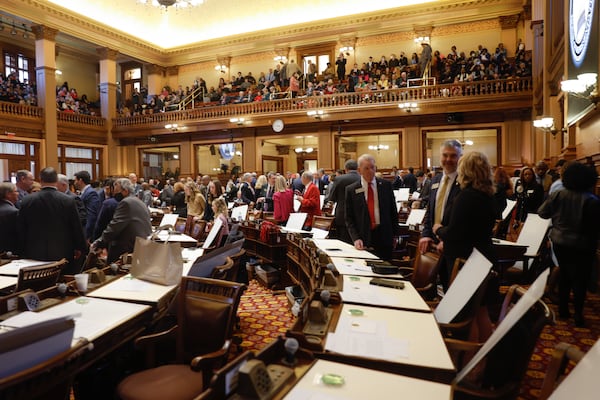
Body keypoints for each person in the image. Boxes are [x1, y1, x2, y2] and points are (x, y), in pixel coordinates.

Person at [538, 163, 600, 327]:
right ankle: (578, 314)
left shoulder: (558, 194)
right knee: (581, 278)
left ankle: (563, 310)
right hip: (583, 244)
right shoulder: (592, 199)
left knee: (564, 273)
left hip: (560, 241)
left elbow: (542, 213)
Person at [433, 152, 497, 290]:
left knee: (463, 306)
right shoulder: (489, 194)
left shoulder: (466, 196)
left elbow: (454, 232)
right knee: (480, 305)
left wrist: (438, 229)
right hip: (483, 255)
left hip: (465, 259)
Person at [17, 167, 87, 274]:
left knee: (37, 281)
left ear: (40, 180)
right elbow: (75, 226)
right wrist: (80, 247)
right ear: (56, 181)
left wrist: (21, 251)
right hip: (63, 250)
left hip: (34, 250)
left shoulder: (27, 200)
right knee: (61, 280)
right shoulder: (68, 200)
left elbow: (21, 228)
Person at [418, 139, 463, 287]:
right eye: (445, 155)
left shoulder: (464, 182)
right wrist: (425, 235)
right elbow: (431, 211)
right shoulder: (435, 180)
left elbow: (463, 219)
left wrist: (449, 240)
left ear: (460, 157)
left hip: (453, 247)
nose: (448, 159)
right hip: (434, 246)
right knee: (438, 288)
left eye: (453, 156)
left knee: (453, 291)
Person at [345, 154, 399, 260]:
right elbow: (349, 218)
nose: (370, 171)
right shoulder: (351, 190)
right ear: (359, 170)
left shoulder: (386, 185)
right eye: (366, 168)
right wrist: (356, 238)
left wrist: (395, 234)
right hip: (363, 236)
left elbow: (393, 211)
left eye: (372, 167)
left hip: (384, 236)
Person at [93, 178, 152, 263]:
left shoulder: (126, 203)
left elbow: (114, 227)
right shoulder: (138, 201)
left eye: (116, 191)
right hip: (141, 245)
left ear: (125, 191)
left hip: (127, 248)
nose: (114, 194)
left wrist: (98, 243)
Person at [326, 159, 360, 243]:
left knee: (343, 242)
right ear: (357, 168)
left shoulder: (339, 179)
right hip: (359, 214)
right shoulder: (362, 178)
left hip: (342, 214)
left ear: (345, 169)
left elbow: (332, 197)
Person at [74, 170, 101, 241]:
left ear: (80, 180)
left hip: (87, 234)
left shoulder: (91, 193)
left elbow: (91, 216)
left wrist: (86, 236)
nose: (74, 183)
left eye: (75, 180)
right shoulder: (84, 192)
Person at [0, 182, 19, 253]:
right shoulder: (13, 212)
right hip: (9, 252)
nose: (18, 193)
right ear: (8, 194)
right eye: (16, 191)